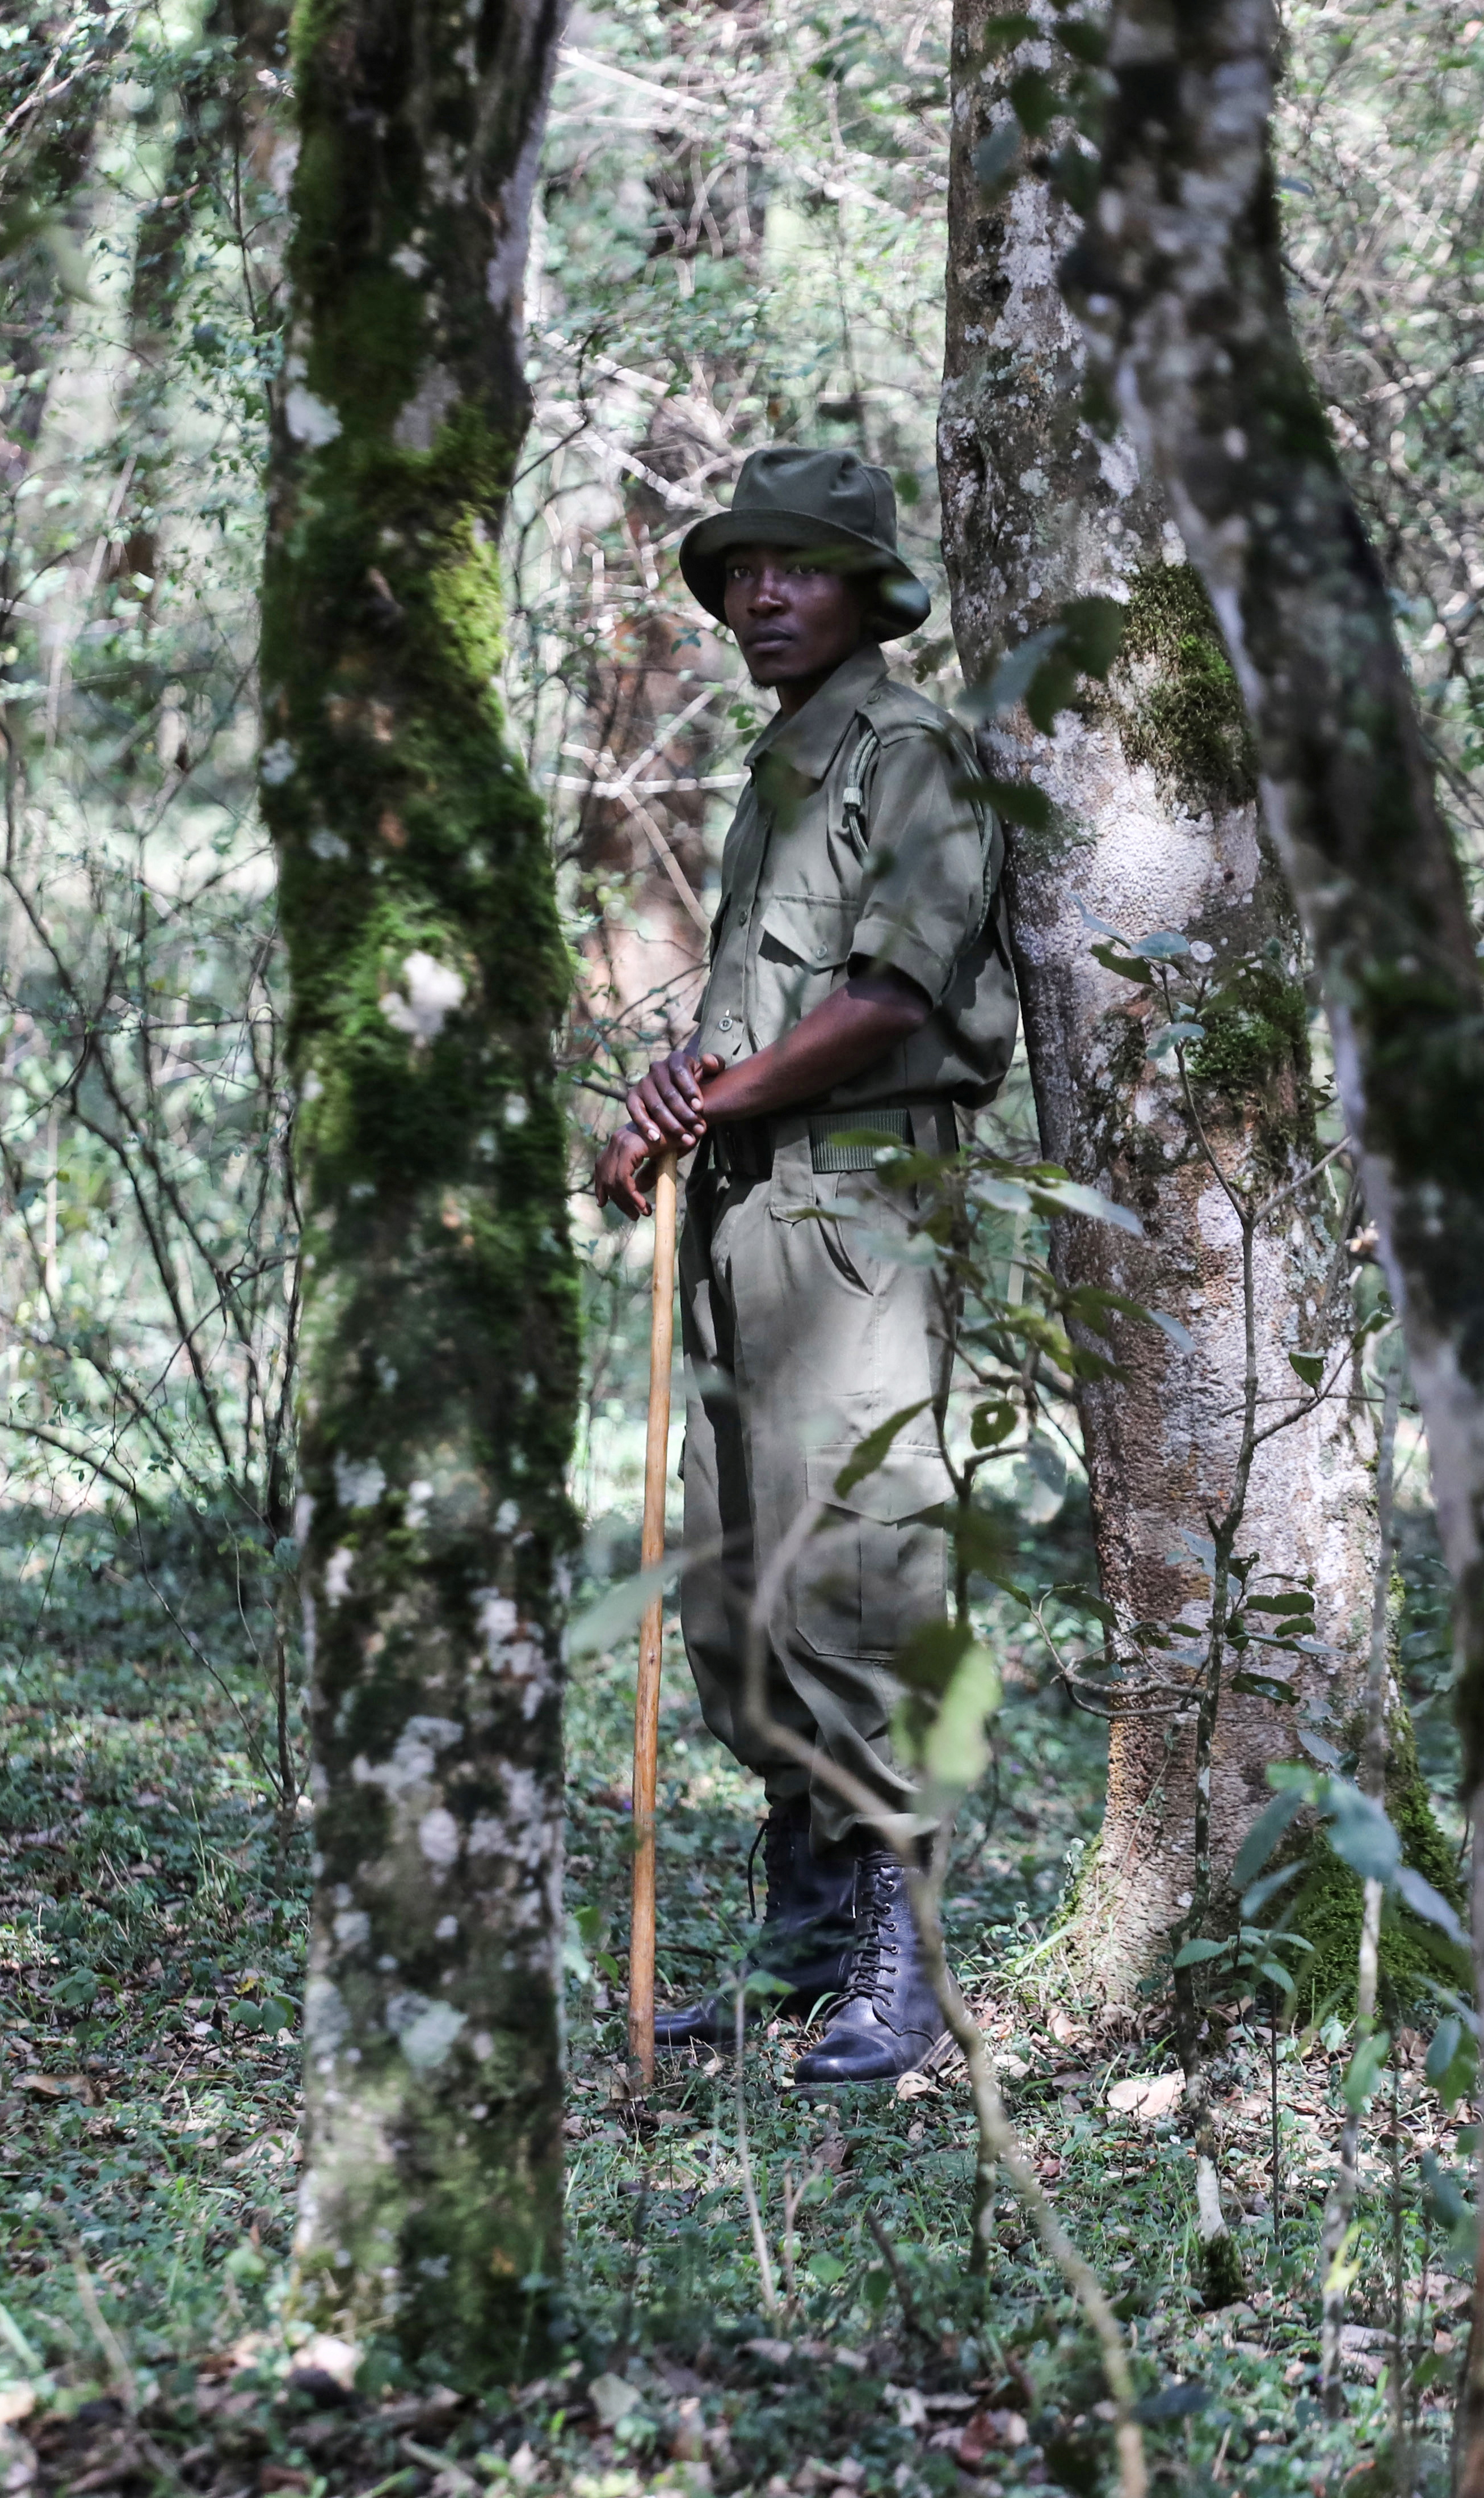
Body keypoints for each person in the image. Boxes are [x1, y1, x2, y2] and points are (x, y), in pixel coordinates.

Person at [591, 446, 1015, 2090]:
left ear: (867, 592)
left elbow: (891, 1002)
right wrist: (670, 1108)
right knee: (738, 1589)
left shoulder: (909, 750)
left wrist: (706, 1096)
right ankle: (801, 1951)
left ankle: (899, 1976)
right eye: (742, 569)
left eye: (802, 568)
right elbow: (748, 1017)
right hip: (746, 1211)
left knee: (851, 1572)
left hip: (855, 1213)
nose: (763, 595)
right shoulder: (784, 761)